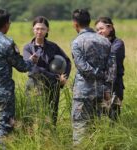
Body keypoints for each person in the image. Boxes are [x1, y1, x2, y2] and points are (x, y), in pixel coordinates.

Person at [0, 9, 38, 149]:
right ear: (5, 24)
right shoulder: (7, 43)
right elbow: (21, 66)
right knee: (4, 127)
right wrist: (31, 61)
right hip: (3, 92)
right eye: (9, 22)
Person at [71, 9, 114, 145]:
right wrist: (106, 85)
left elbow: (82, 66)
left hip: (83, 92)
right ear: (89, 22)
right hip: (102, 91)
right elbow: (112, 67)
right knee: (99, 127)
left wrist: (97, 74)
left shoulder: (77, 42)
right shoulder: (105, 41)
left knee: (80, 127)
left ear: (75, 24)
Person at [23, 16, 71, 126]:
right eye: (37, 28)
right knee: (33, 115)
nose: (39, 31)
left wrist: (64, 77)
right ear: (33, 29)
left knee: (51, 115)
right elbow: (33, 69)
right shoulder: (28, 48)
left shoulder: (53, 47)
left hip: (53, 86)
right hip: (34, 86)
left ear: (47, 30)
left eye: (42, 29)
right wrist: (54, 77)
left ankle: (51, 138)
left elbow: (67, 61)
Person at [95, 17, 125, 121]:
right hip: (100, 86)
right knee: (99, 119)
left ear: (110, 28)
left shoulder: (118, 43)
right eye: (97, 30)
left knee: (113, 118)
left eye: (101, 28)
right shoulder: (99, 44)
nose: (99, 32)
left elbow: (109, 57)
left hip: (115, 86)